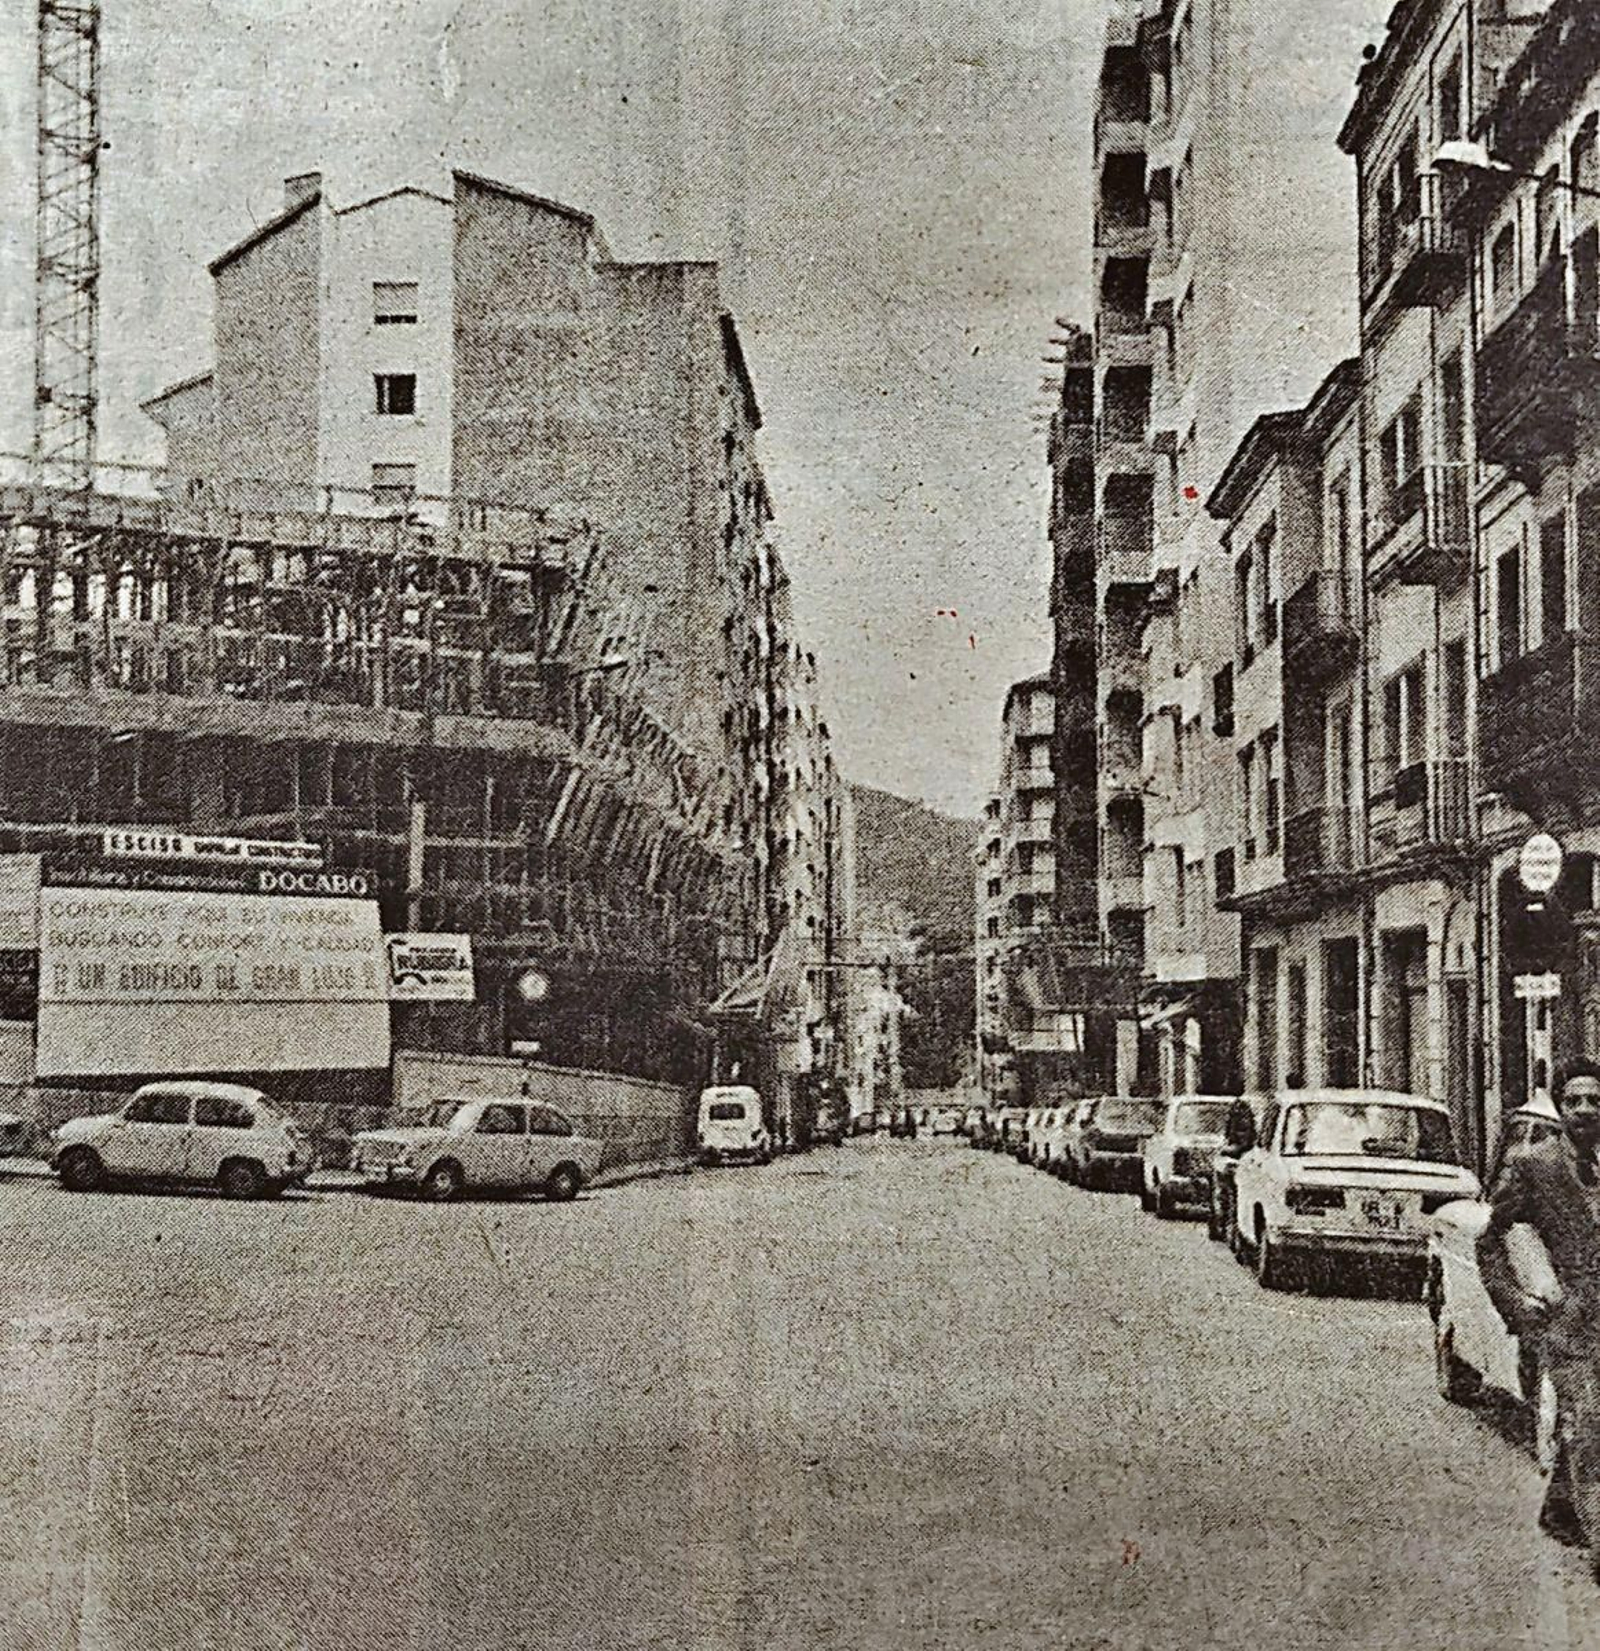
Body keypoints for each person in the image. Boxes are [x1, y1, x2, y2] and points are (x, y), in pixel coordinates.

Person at [1478, 1057, 1600, 1566]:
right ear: (1559, 1107)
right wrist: (1520, 1308)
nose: (1585, 1109)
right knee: (1592, 1422)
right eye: (1574, 1100)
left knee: (1583, 1426)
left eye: (1595, 1100)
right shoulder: (1534, 1164)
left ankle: (1561, 1509)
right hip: (1567, 1325)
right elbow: (1492, 1244)